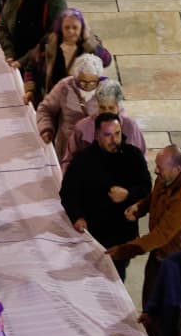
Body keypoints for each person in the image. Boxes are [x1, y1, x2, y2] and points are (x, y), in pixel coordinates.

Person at [59, 112, 152, 276]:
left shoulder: (133, 156)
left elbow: (146, 187)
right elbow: (67, 193)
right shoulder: (83, 160)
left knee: (116, 277)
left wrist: (128, 195)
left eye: (117, 133)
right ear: (97, 136)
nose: (114, 140)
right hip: (93, 235)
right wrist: (77, 217)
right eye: (107, 135)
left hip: (121, 236)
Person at [107, 145, 181, 300]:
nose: (156, 171)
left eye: (160, 168)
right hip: (159, 252)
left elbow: (162, 234)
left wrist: (125, 250)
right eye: (157, 166)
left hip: (176, 261)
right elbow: (154, 197)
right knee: (150, 299)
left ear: (177, 169)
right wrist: (140, 207)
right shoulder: (167, 177)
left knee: (164, 307)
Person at [20, 8, 112, 107]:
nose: (71, 31)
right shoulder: (48, 43)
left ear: (82, 28)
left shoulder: (91, 44)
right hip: (54, 99)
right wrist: (30, 90)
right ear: (60, 27)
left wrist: (89, 42)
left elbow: (106, 61)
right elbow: (31, 66)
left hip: (82, 101)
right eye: (67, 27)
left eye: (75, 27)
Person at [0, 0, 67, 66]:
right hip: (17, 55)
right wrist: (9, 53)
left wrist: (23, 61)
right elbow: (3, 26)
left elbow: (53, 35)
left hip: (43, 59)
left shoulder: (55, 1)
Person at [35, 52, 107, 150]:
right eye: (83, 81)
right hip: (67, 148)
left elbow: (119, 116)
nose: (87, 85)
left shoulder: (108, 89)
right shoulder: (65, 86)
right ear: (76, 77)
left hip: (97, 148)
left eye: (92, 82)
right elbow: (45, 109)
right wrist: (46, 128)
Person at [66, 77, 144, 160]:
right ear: (97, 104)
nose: (106, 112)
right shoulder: (82, 127)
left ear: (118, 106)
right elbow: (68, 160)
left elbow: (141, 158)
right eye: (102, 108)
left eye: (111, 108)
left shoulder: (130, 126)